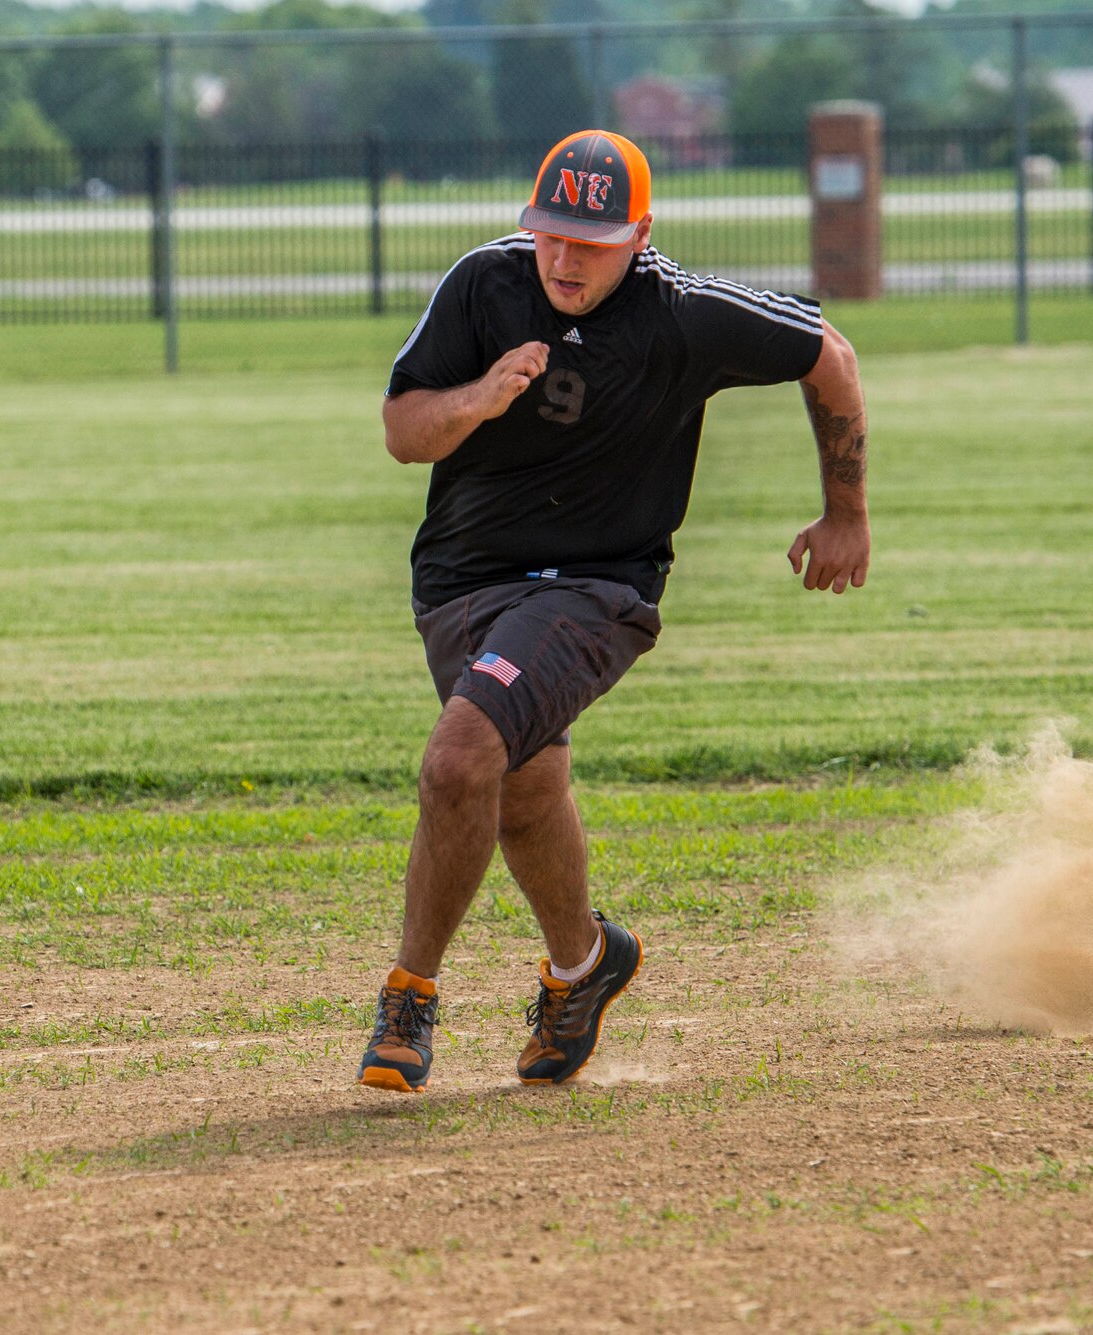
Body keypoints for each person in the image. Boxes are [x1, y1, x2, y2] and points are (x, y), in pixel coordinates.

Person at [357, 130, 871, 1093]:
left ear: (640, 233)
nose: (562, 260)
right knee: (524, 788)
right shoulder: (483, 286)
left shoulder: (685, 314)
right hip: (462, 583)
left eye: (589, 243)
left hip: (599, 588)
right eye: (550, 236)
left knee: (461, 758)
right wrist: (479, 397)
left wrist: (846, 512)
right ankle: (585, 966)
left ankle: (408, 995)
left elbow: (830, 354)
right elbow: (402, 431)